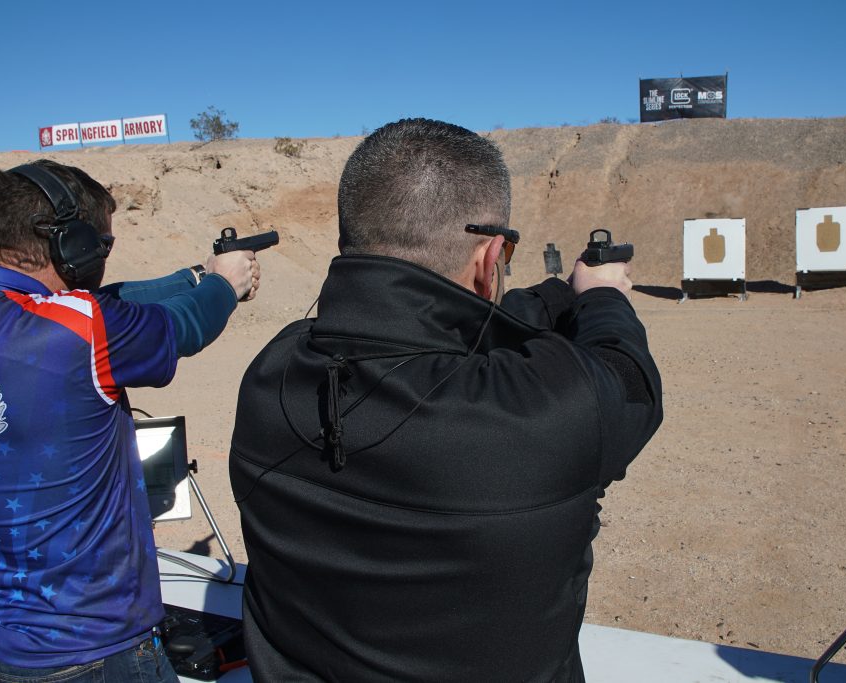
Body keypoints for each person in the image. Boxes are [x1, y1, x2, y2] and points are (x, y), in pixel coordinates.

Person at [230, 118, 663, 682]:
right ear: (490, 259)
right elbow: (628, 375)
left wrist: (555, 294)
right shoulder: (543, 408)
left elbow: (425, 324)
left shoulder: (273, 370)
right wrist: (602, 296)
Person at [0, 159, 260, 681]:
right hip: (85, 649)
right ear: (72, 245)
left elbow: (98, 301)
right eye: (101, 246)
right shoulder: (84, 332)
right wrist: (225, 286)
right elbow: (186, 326)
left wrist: (192, 275)